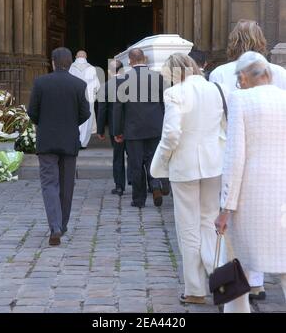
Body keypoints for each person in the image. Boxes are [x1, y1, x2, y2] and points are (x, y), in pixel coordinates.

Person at [210, 19, 286, 299]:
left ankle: (246, 284)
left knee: (238, 233)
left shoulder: (220, 73)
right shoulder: (277, 72)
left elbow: (217, 116)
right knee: (273, 230)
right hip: (277, 163)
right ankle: (259, 282)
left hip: (235, 153)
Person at [151, 54, 227, 305]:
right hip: (213, 164)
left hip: (185, 166)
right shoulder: (215, 89)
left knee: (188, 228)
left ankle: (195, 289)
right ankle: (223, 282)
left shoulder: (175, 93)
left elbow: (171, 134)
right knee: (210, 223)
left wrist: (160, 161)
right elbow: (223, 127)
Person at [28, 48, 90, 246]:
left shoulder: (40, 82)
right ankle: (62, 226)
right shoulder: (79, 85)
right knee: (66, 185)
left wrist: (44, 123)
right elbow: (85, 113)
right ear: (70, 63)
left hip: (46, 140)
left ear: (52, 62)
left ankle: (54, 226)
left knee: (49, 184)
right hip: (69, 140)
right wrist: (71, 124)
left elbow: (32, 112)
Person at [113, 48, 168, 208]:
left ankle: (138, 199)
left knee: (136, 164)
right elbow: (164, 103)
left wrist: (117, 131)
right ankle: (156, 185)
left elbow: (118, 108)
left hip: (133, 128)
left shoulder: (123, 79)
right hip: (155, 127)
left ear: (130, 61)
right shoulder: (158, 77)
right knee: (153, 159)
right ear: (144, 59)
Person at [97, 59, 126, 196]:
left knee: (118, 156)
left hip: (115, 127)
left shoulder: (105, 86)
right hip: (131, 126)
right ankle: (140, 183)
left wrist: (100, 130)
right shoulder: (131, 84)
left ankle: (119, 186)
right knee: (135, 156)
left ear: (109, 71)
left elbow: (102, 110)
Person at [69, 50, 100, 149]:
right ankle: (83, 143)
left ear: (76, 57)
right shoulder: (91, 68)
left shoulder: (70, 68)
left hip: (73, 98)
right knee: (86, 119)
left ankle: (74, 141)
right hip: (88, 98)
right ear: (86, 57)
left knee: (73, 118)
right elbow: (97, 86)